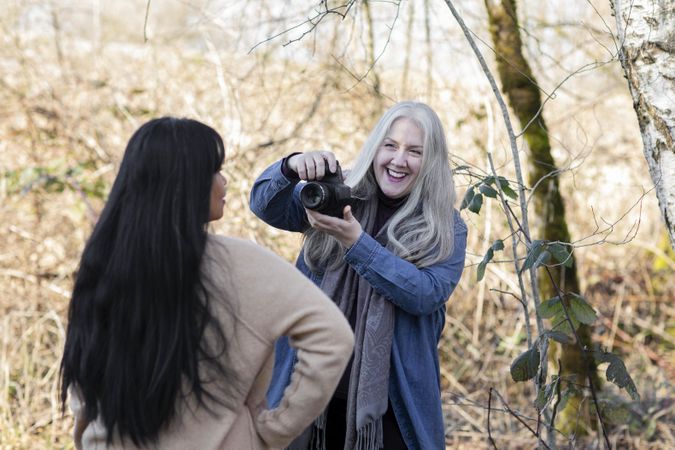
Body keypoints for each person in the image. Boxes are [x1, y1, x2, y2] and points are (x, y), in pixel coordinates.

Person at [59, 117, 354, 449]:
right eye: (214, 170)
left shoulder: (103, 258)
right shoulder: (239, 263)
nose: (224, 181)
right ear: (185, 182)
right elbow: (334, 337)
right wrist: (272, 431)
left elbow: (83, 375)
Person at [249, 101, 468, 450]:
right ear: (375, 147)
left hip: (392, 411)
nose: (399, 160)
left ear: (431, 162)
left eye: (415, 151)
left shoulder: (446, 227)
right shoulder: (338, 195)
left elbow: (425, 294)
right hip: (307, 398)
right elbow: (264, 204)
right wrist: (291, 167)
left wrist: (355, 243)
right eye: (390, 146)